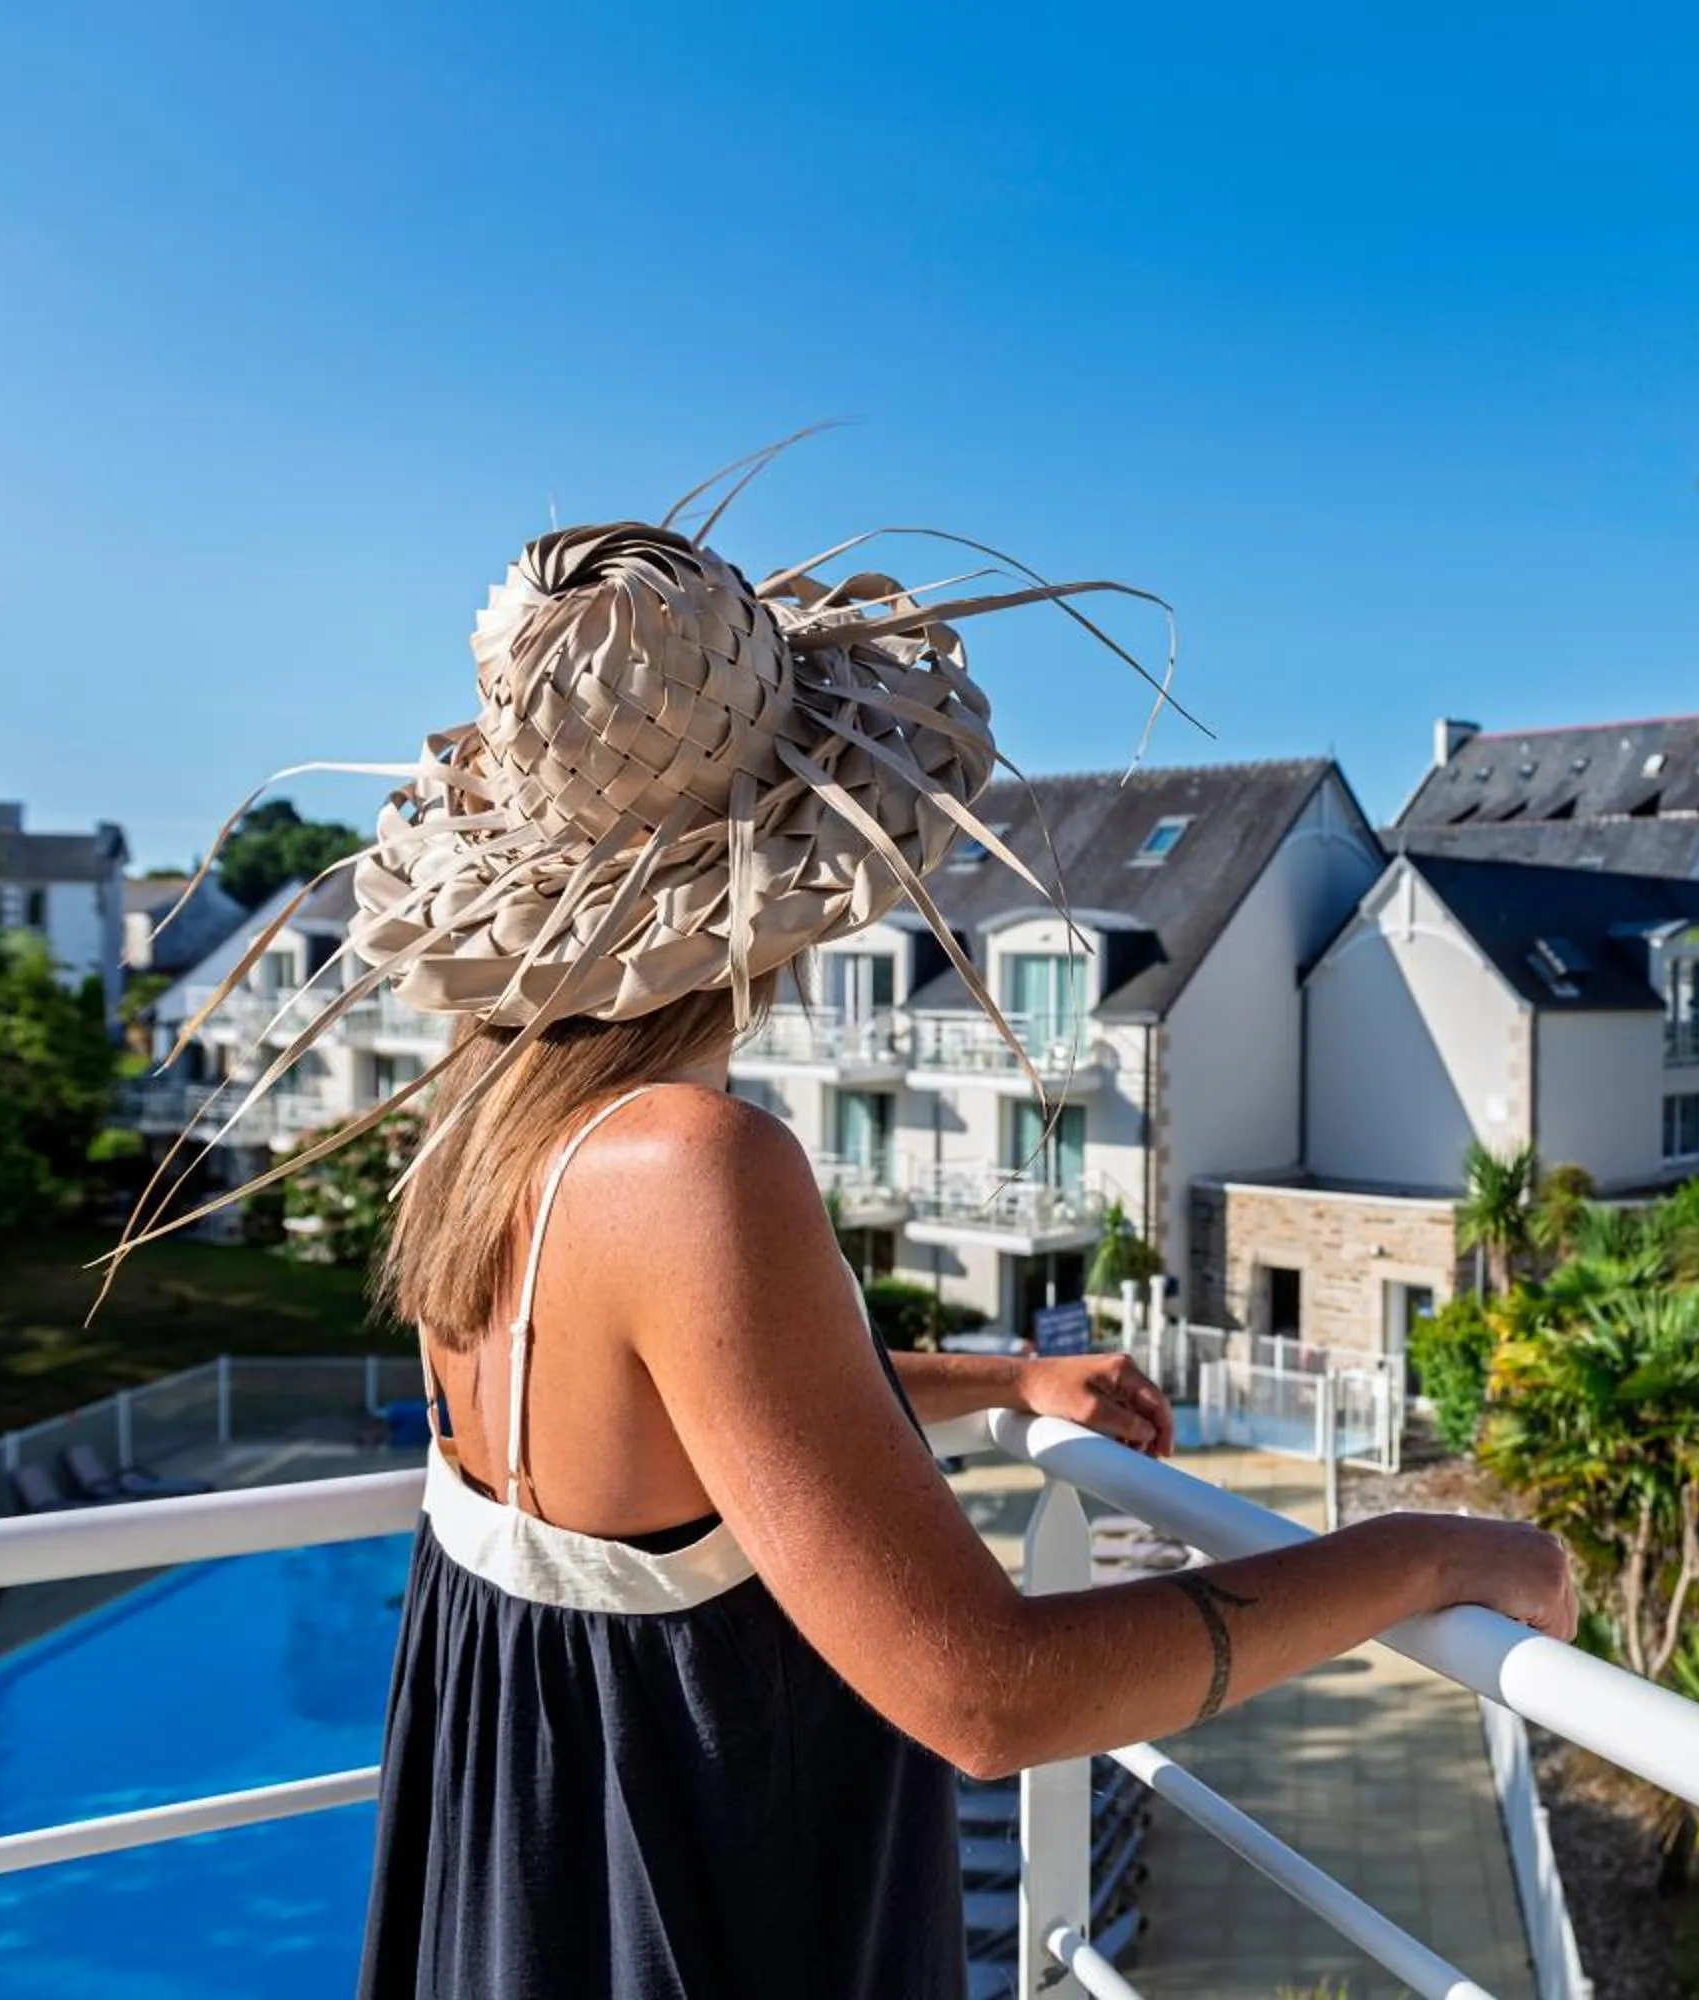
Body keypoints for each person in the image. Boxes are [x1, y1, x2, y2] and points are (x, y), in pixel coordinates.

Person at [124, 502, 1571, 1999]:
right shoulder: (693, 1164)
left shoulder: (495, 1147)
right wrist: (1413, 1556)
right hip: (699, 1922)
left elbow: (693, 1428)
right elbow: (984, 1697)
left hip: (522, 1894)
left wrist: (1006, 1376)